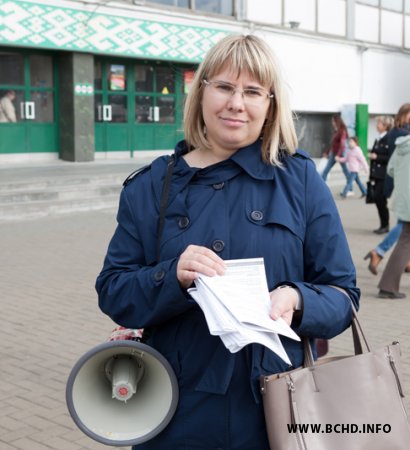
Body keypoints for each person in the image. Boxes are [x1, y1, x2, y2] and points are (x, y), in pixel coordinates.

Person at [96, 34, 360, 450]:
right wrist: (171, 277)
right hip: (172, 411)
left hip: (276, 412)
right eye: (223, 86)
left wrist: (299, 299)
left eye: (253, 91)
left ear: (270, 104)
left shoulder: (300, 181)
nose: (236, 103)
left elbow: (343, 295)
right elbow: (114, 291)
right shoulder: (150, 187)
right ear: (200, 94)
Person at [377, 133, 410, 298]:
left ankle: (387, 285)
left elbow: (390, 170)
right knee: (405, 241)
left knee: (405, 239)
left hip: (405, 200)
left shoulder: (402, 145)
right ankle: (388, 286)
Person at [367, 115, 394, 234]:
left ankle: (385, 224)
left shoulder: (389, 138)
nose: (377, 125)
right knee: (378, 199)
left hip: (384, 175)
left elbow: (391, 157)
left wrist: (377, 157)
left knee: (380, 199)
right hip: (376, 174)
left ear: (385, 126)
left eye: (379, 123)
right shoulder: (378, 138)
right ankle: (383, 224)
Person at [321, 114, 351, 192]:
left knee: (346, 171)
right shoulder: (336, 131)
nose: (332, 123)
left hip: (339, 155)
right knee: (326, 170)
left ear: (336, 121)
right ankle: (321, 186)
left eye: (333, 121)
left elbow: (342, 144)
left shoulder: (342, 131)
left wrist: (338, 155)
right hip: (334, 154)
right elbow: (332, 144)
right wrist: (327, 152)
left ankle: (350, 188)